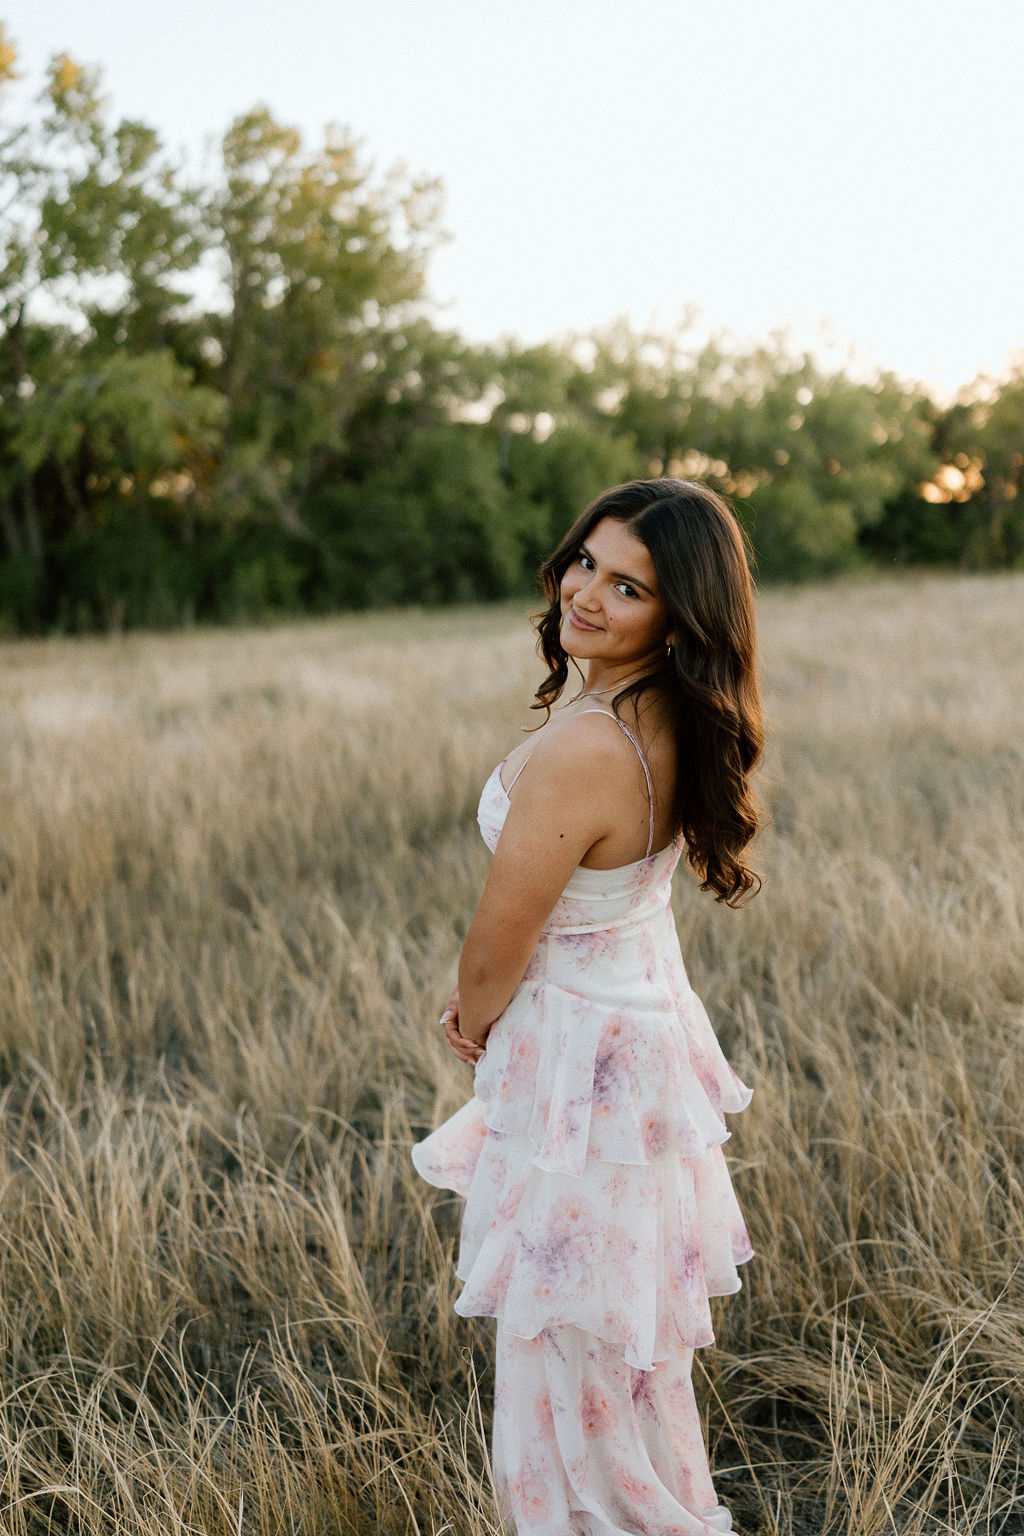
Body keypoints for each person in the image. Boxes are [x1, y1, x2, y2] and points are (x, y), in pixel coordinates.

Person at [411, 477, 764, 1536]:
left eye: (628, 586)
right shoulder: (663, 714)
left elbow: (500, 934)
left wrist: (474, 1020)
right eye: (584, 563)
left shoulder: (582, 746)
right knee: (619, 1337)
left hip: (582, 1066)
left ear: (678, 617)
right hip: (638, 1045)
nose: (587, 595)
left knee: (562, 1332)